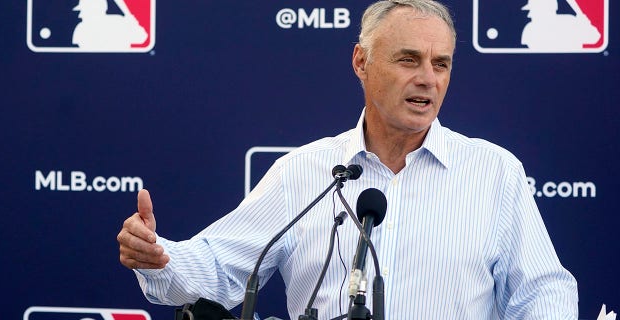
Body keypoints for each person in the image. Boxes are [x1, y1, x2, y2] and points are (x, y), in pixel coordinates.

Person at [117, 0, 579, 318]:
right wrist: (161, 258)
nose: (428, 79)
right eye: (408, 60)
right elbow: (219, 267)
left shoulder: (494, 173)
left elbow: (542, 291)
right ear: (361, 62)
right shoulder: (304, 172)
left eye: (441, 64)